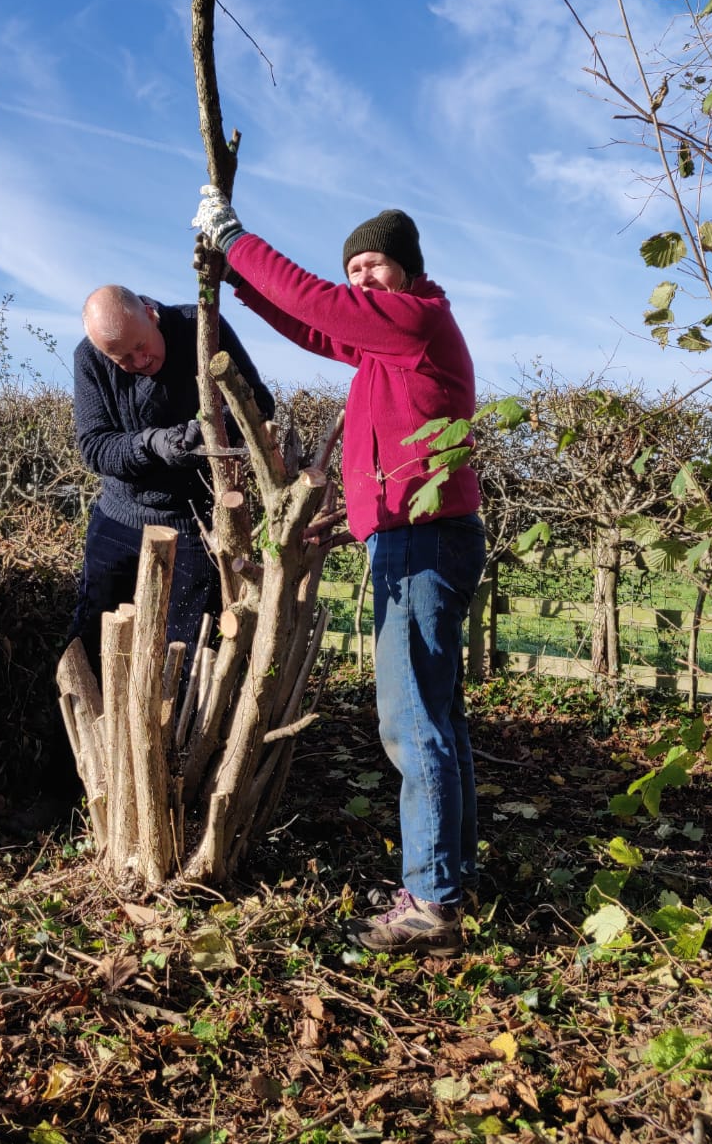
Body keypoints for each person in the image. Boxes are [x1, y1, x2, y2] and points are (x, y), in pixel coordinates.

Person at [192, 191, 485, 958]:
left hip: (423, 541)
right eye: (351, 268)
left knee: (410, 718)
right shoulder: (386, 344)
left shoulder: (415, 318)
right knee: (437, 717)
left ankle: (430, 902)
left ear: (408, 269)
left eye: (373, 265)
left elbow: (316, 301)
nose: (360, 280)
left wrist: (238, 239)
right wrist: (235, 280)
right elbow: (315, 321)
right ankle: (449, 879)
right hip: (413, 539)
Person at [69, 283, 275, 676]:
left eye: (141, 346)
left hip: (193, 523)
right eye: (122, 358)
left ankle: (178, 735)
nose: (139, 360)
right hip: (119, 519)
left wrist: (210, 429)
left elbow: (258, 404)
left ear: (151, 313)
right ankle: (80, 734)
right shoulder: (89, 358)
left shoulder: (201, 329)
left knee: (185, 653)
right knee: (93, 638)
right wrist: (152, 444)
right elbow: (94, 447)